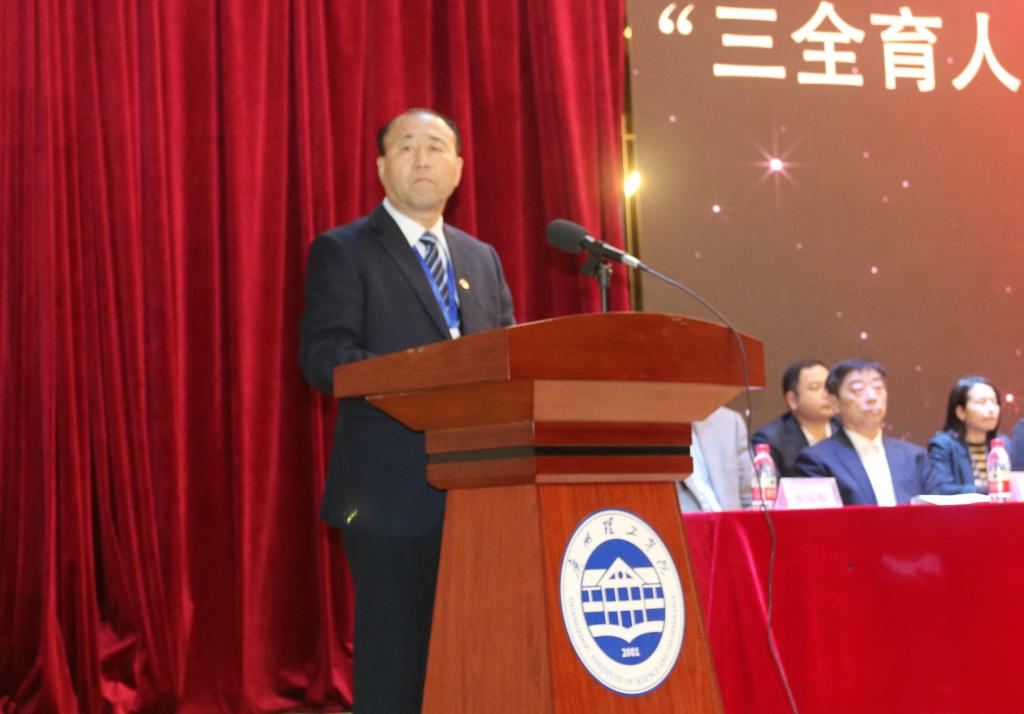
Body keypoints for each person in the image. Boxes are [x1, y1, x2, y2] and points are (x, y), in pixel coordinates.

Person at [299, 108, 515, 713]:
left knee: (476, 664)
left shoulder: (481, 258)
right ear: (380, 167)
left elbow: (508, 358)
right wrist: (424, 378)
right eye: (406, 147)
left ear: (459, 169)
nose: (423, 159)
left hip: (480, 495)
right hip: (388, 495)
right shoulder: (343, 250)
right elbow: (324, 357)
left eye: (437, 147)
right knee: (395, 674)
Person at [791, 359, 929, 505]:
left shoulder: (915, 457)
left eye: (878, 388)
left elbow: (936, 511)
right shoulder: (817, 460)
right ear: (835, 403)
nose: (872, 397)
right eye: (858, 389)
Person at [751, 359, 839, 478]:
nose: (826, 394)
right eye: (815, 387)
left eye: (829, 386)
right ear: (792, 400)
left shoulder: (846, 430)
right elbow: (771, 487)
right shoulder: (771, 440)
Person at [926, 376, 1008, 495]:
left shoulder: (1003, 444)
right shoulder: (943, 445)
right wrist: (990, 489)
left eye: (994, 402)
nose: (991, 409)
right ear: (961, 412)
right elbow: (942, 489)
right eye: (981, 402)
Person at [677, 407, 754, 512]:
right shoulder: (654, 426)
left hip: (731, 520)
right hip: (679, 521)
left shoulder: (729, 421)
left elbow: (750, 501)